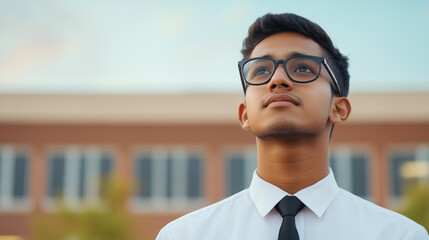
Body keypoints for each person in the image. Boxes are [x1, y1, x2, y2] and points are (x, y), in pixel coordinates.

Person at [156, 13, 429, 240]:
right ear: (244, 114)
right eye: (261, 71)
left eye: (302, 68)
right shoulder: (185, 235)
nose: (277, 79)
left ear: (339, 108)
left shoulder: (400, 235)